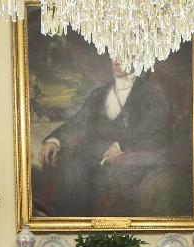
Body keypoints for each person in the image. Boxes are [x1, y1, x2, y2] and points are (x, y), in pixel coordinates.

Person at [34, 60, 174, 217]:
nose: (117, 61)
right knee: (72, 173)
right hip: (88, 157)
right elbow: (78, 121)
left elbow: (157, 131)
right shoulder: (99, 93)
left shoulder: (151, 93)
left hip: (127, 161)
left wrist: (122, 146)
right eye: (114, 55)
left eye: (123, 55)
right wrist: (55, 139)